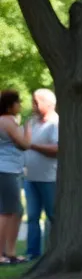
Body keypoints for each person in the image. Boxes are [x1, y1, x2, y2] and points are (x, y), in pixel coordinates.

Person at [22, 88, 58, 260]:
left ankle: (53, 251)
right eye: (33, 102)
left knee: (53, 215)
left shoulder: (56, 123)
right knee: (32, 217)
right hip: (30, 178)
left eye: (37, 102)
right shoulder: (32, 123)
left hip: (49, 178)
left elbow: (57, 149)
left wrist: (32, 146)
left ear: (48, 103)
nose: (33, 105)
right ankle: (33, 252)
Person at [0, 89, 32, 264]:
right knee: (8, 211)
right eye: (17, 102)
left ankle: (9, 251)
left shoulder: (7, 121)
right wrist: (27, 129)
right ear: (9, 105)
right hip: (7, 171)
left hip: (10, 170)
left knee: (12, 211)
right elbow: (25, 144)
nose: (20, 105)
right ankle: (5, 253)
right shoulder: (6, 121)